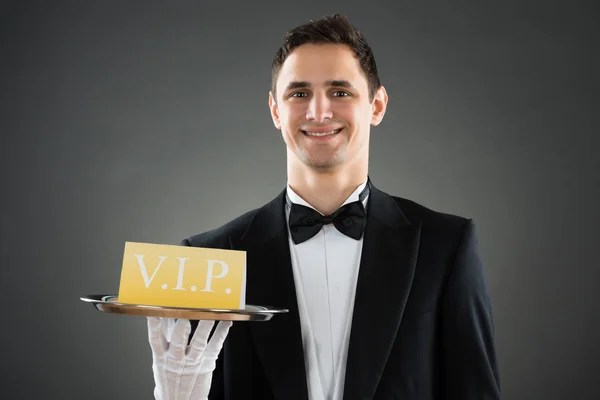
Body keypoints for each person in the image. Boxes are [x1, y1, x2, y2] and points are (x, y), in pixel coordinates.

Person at [146, 13, 501, 400]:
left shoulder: (446, 245)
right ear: (275, 110)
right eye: (299, 94)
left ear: (377, 105)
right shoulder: (210, 257)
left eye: (340, 92)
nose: (318, 112)